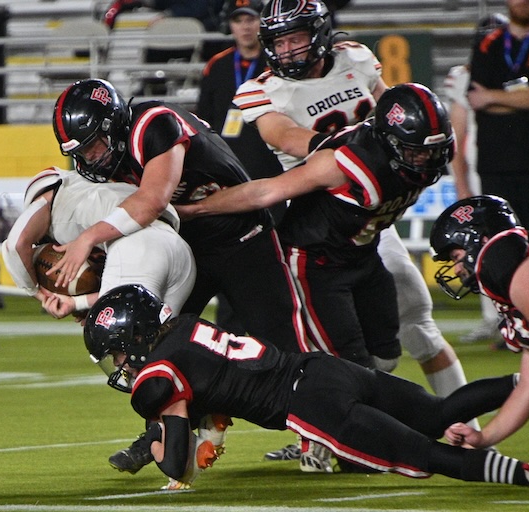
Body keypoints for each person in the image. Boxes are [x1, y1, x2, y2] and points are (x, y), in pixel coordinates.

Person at [226, 0, 475, 468]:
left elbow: (392, 106)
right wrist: (354, 149)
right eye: (278, 40)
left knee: (414, 328)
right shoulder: (262, 91)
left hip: (371, 216)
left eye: (296, 37)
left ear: (318, 33)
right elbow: (287, 138)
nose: (288, 48)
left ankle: (469, 429)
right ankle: (326, 436)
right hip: (320, 219)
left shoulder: (355, 58)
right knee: (331, 350)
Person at [178, 82, 457, 470]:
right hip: (316, 265)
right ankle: (336, 439)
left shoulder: (413, 158)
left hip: (362, 255)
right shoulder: (345, 163)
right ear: (390, 142)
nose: (426, 160)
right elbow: (265, 193)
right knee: (353, 370)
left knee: (385, 355)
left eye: (433, 149)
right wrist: (197, 210)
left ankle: (335, 428)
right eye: (416, 150)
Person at [50, 78, 306, 473]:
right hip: (190, 249)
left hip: (243, 237)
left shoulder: (155, 123)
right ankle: (159, 432)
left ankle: (317, 430)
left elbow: (151, 201)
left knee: (282, 339)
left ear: (114, 124)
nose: (92, 157)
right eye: (81, 151)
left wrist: (88, 237)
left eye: (94, 145)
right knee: (151, 339)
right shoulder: (108, 156)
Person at [83, 283, 529, 488]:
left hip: (308, 403)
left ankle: (527, 475)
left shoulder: (156, 374)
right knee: (439, 412)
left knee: (421, 452)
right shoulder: (187, 325)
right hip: (323, 368)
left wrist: (163, 432)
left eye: (119, 351)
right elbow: (217, 381)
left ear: (138, 339)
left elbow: (178, 467)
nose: (120, 364)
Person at [429, 195, 529, 449]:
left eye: (456, 255)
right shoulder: (511, 268)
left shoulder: (498, 250)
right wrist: (483, 438)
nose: (456, 269)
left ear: (479, 239)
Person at [196, 0, 285, 334]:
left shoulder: (278, 63)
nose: (246, 27)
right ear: (229, 25)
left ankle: (277, 338)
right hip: (229, 185)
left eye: (252, 19)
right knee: (231, 263)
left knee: (275, 264)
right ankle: (231, 343)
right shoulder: (217, 68)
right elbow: (204, 127)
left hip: (274, 181)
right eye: (239, 20)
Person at [1, 167, 196, 319]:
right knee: (165, 347)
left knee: (126, 347)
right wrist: (76, 303)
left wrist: (40, 294)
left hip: (140, 245)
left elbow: (15, 246)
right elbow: (127, 287)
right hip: (180, 248)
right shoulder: (101, 191)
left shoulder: (56, 199)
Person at [443, 13, 509, 345]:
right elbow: (457, 137)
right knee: (486, 245)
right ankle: (496, 318)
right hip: (483, 171)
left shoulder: (520, 72)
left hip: (524, 167)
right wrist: (463, 186)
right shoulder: (464, 79)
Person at [468, 0, 529, 242]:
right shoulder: (488, 45)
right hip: (497, 166)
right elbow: (476, 99)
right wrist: (527, 101)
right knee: (503, 245)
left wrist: (492, 98)